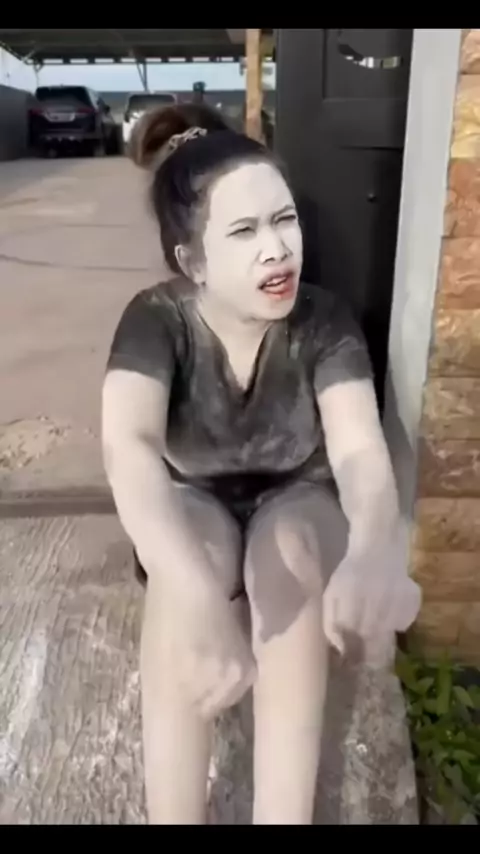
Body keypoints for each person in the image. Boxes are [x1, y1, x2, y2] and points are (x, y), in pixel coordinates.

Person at [101, 102, 421, 825]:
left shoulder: (324, 320)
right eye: (244, 231)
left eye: (284, 221)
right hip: (196, 494)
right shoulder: (157, 318)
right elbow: (129, 447)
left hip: (296, 493)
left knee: (292, 555)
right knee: (189, 561)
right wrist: (194, 595)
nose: (276, 250)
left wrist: (375, 549)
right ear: (193, 260)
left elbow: (358, 450)